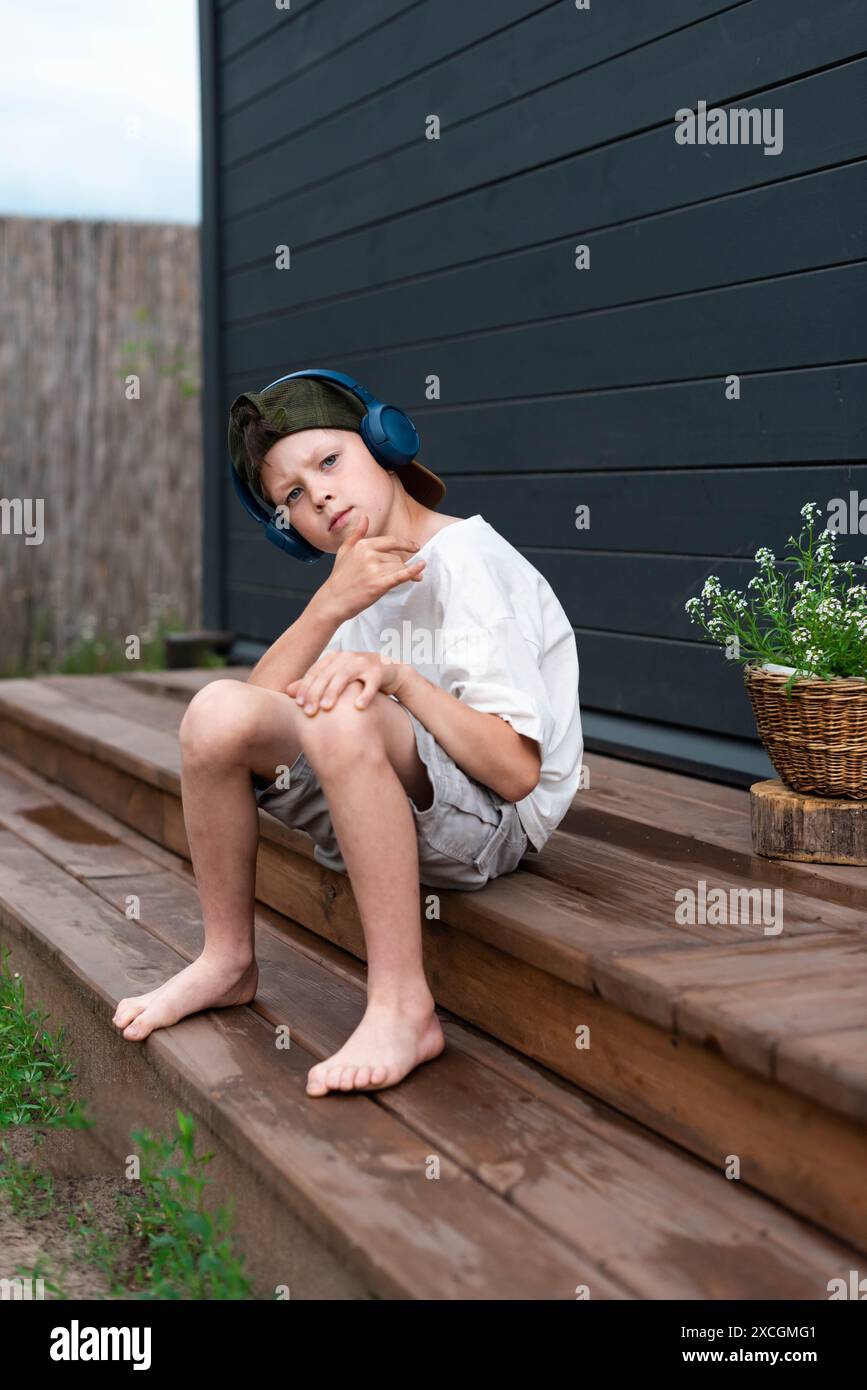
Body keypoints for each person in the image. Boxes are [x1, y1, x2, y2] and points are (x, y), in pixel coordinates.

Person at [112, 377, 583, 1095]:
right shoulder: (354, 578)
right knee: (213, 710)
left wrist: (396, 678)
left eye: (328, 462)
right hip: (377, 796)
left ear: (384, 443)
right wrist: (328, 607)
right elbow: (243, 727)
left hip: (489, 827)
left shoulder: (468, 562)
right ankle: (227, 959)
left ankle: (403, 1006)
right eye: (292, 497)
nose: (318, 497)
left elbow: (515, 773)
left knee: (347, 703)